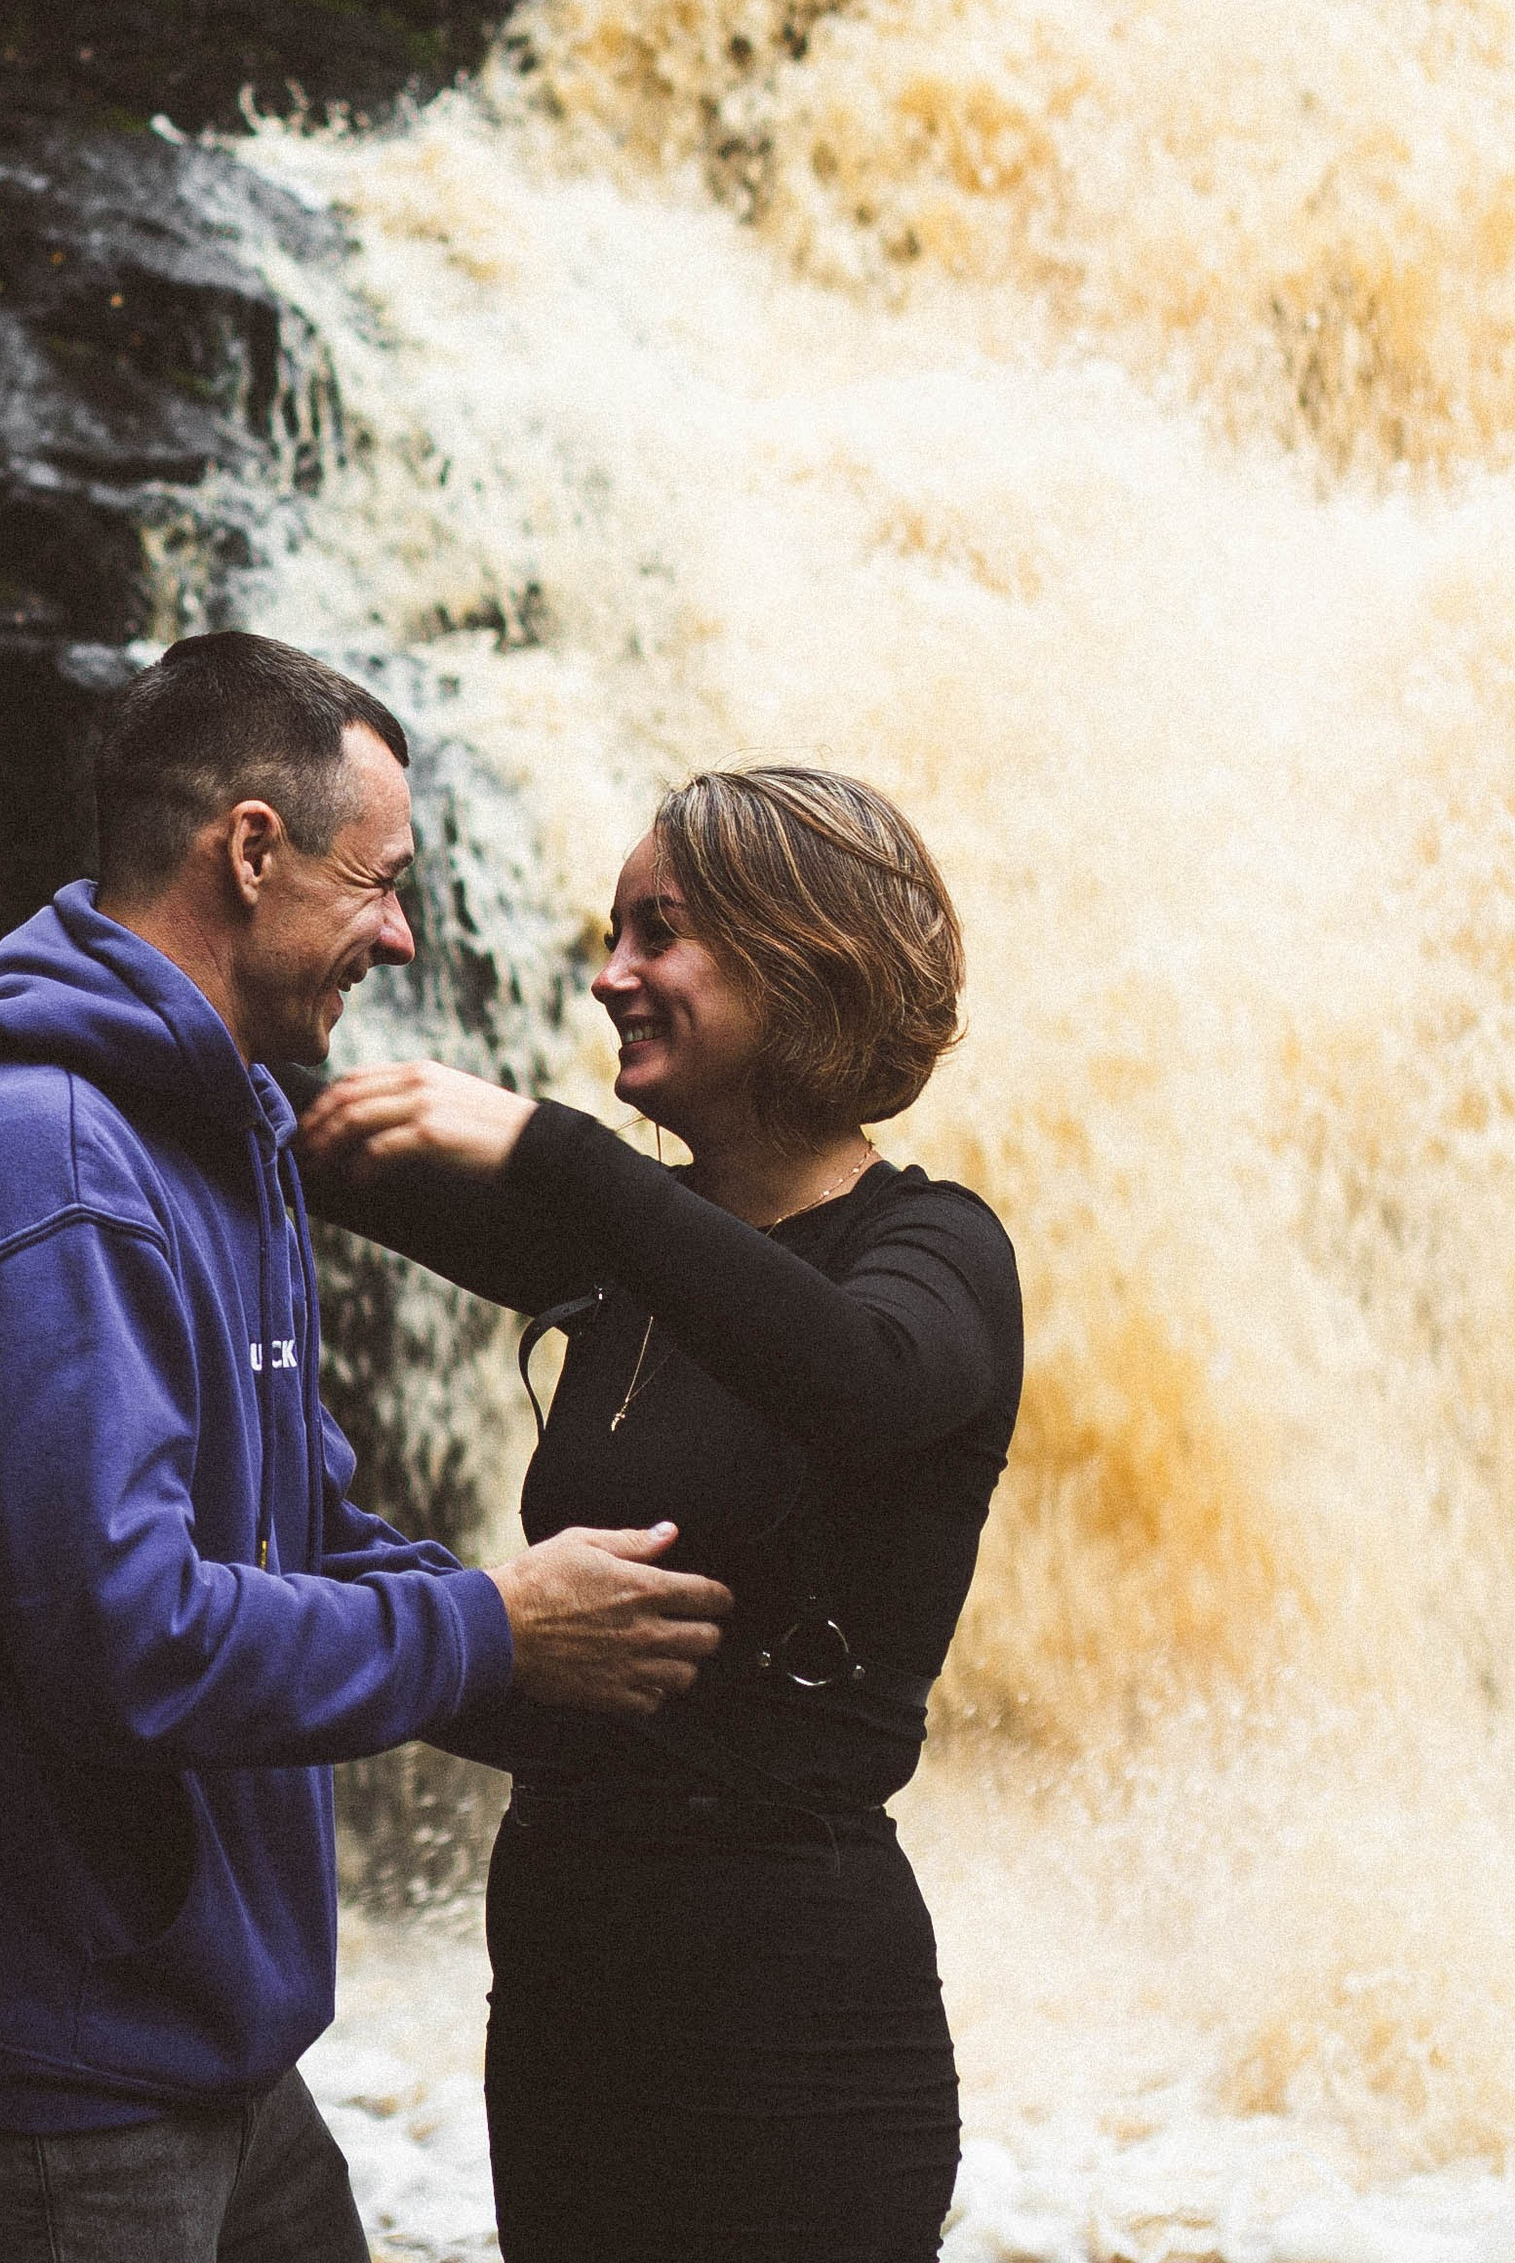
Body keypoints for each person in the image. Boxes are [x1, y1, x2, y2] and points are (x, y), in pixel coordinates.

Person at [0, 630, 733, 2263]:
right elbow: (132, 1645)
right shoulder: (46, 1169)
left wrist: (588, 1692)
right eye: (380, 882)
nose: (403, 931)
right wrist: (496, 1624)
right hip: (58, 2094)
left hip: (217, 2056)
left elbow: (307, 1532)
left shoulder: (219, 1130)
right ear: (250, 850)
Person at [294, 762, 1022, 2263]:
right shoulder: (624, 1253)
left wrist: (548, 1146)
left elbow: (863, 1384)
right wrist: (13, 1001)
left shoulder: (935, 1253)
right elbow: (292, 1123)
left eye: (659, 933)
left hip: (797, 2034)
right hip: (567, 1992)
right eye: (612, 933)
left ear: (798, 953)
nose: (610, 975)